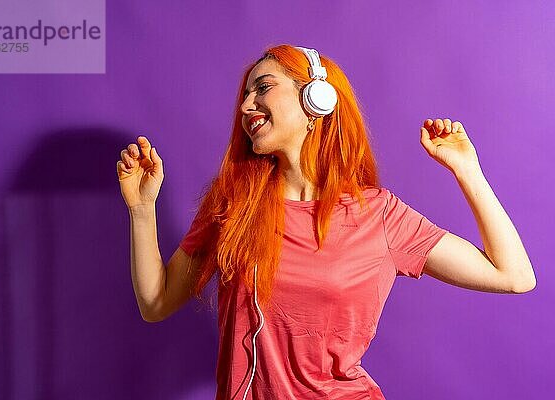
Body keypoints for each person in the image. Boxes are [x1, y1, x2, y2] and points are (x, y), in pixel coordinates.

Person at [116, 44, 536, 400]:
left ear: (316, 100)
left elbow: (514, 276)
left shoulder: (380, 215)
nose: (246, 106)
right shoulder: (232, 206)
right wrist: (142, 209)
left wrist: (467, 170)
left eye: (263, 88)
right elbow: (156, 304)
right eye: (245, 94)